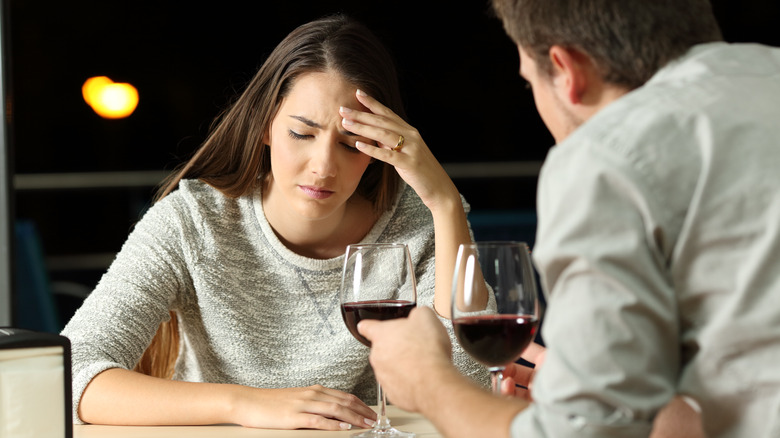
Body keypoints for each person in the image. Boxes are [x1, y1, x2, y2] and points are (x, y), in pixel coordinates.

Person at [358, 1, 780, 437]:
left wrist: (429, 382)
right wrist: (601, 395)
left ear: (566, 70)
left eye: (529, 83)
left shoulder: (605, 156)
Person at [61, 14, 488, 431]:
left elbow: (472, 387)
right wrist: (244, 403)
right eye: (302, 134)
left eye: (351, 143)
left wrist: (446, 202)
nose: (324, 167)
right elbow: (71, 373)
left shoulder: (419, 221)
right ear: (265, 126)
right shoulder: (192, 222)